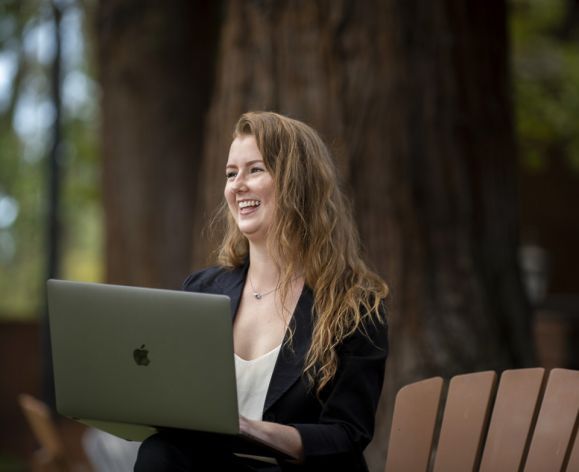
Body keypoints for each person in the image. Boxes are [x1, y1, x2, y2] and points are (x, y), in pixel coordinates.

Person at [134, 111, 389, 471]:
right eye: (230, 173)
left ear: (297, 182)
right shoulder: (202, 290)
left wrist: (252, 430)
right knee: (159, 451)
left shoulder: (354, 304)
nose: (237, 185)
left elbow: (348, 434)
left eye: (255, 170)